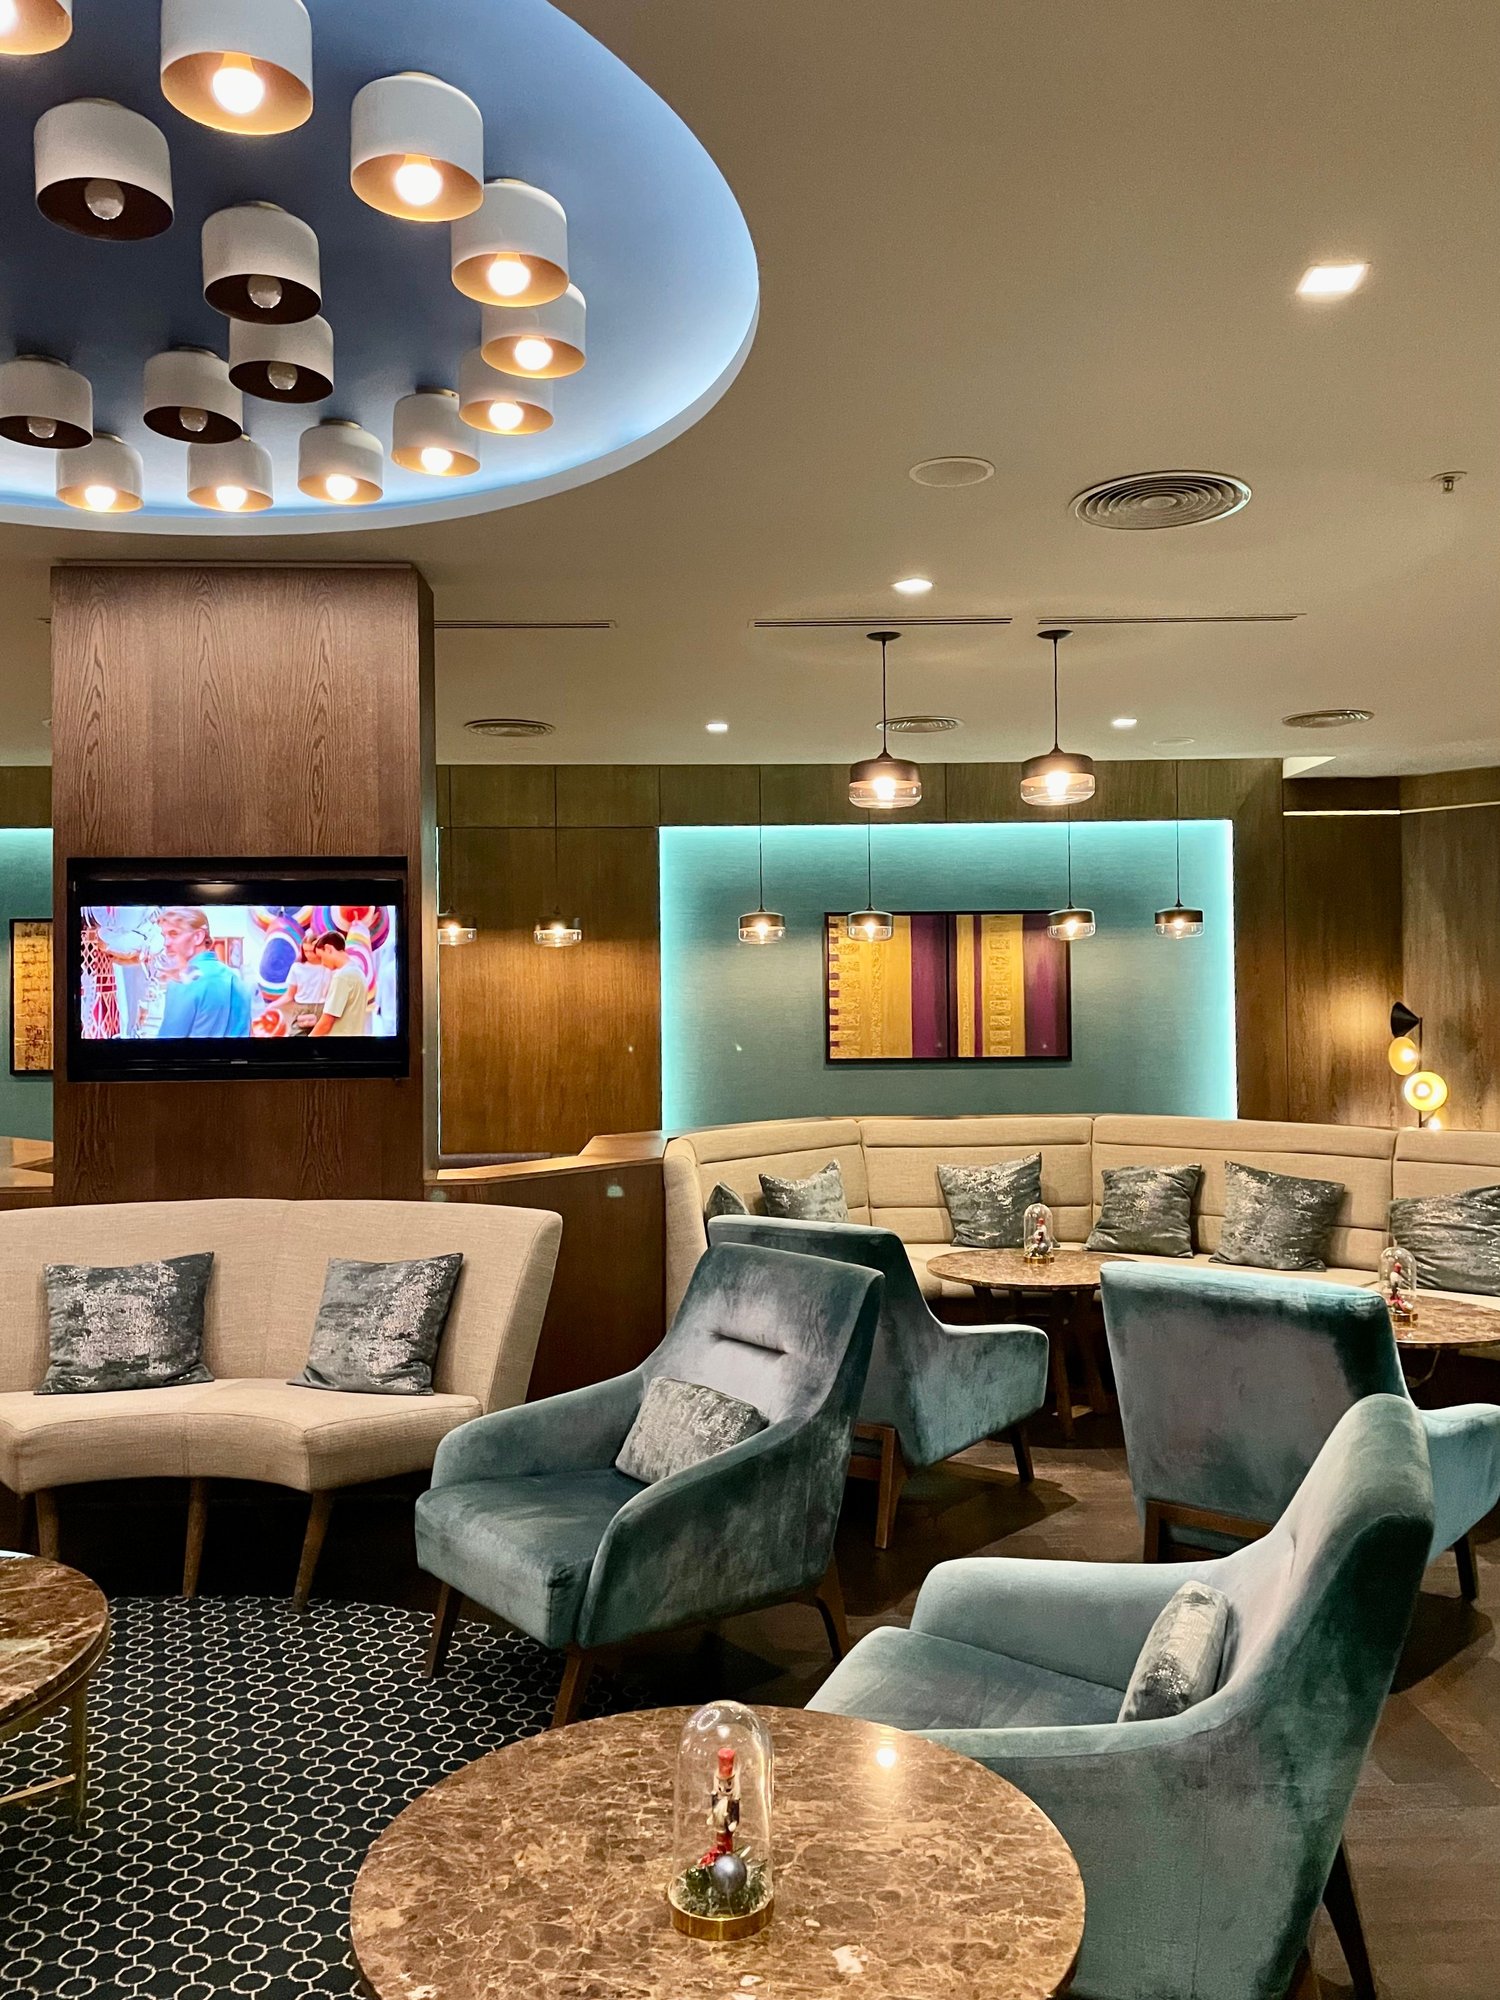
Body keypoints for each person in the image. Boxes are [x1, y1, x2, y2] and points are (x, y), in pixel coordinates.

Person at [156, 908, 252, 1039]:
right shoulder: (236, 979)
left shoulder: (184, 979)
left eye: (174, 934)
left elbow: (167, 1042)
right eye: (164, 936)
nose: (166, 943)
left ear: (198, 937)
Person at [308, 931, 370, 1038]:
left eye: (321, 957)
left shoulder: (342, 977)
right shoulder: (357, 971)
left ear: (328, 949)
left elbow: (327, 1022)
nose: (322, 963)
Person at [277, 935, 332, 1035]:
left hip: (322, 1009)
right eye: (306, 951)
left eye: (312, 951)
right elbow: (289, 995)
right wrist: (272, 1006)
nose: (309, 955)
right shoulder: (297, 967)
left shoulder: (329, 968)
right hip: (301, 1009)